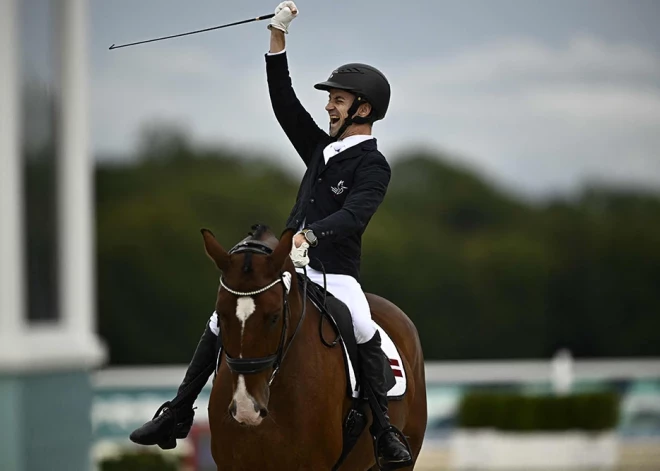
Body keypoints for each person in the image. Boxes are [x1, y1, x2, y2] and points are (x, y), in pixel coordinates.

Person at [130, 1, 411, 466]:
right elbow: (285, 104)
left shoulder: (372, 164)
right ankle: (177, 412)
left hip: (334, 271)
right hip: (289, 267)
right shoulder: (322, 149)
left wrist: (309, 237)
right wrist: (277, 39)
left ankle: (384, 431)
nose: (328, 105)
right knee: (222, 320)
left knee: (363, 327)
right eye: (330, 98)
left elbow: (354, 217)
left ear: (364, 108)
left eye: (338, 100)